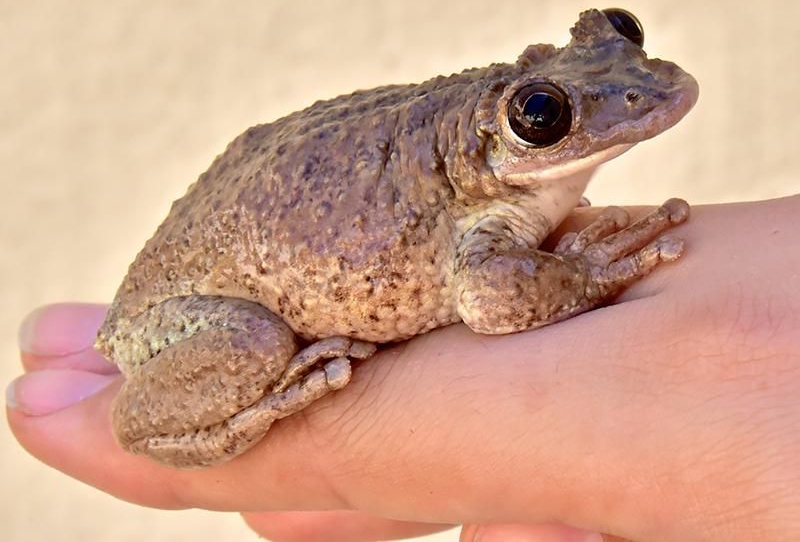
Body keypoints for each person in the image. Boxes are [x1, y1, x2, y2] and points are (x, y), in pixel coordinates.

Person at [7, 196, 800, 542]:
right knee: (254, 349)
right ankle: (256, 399)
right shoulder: (480, 217)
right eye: (542, 115)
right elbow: (493, 301)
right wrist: (586, 276)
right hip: (201, 312)